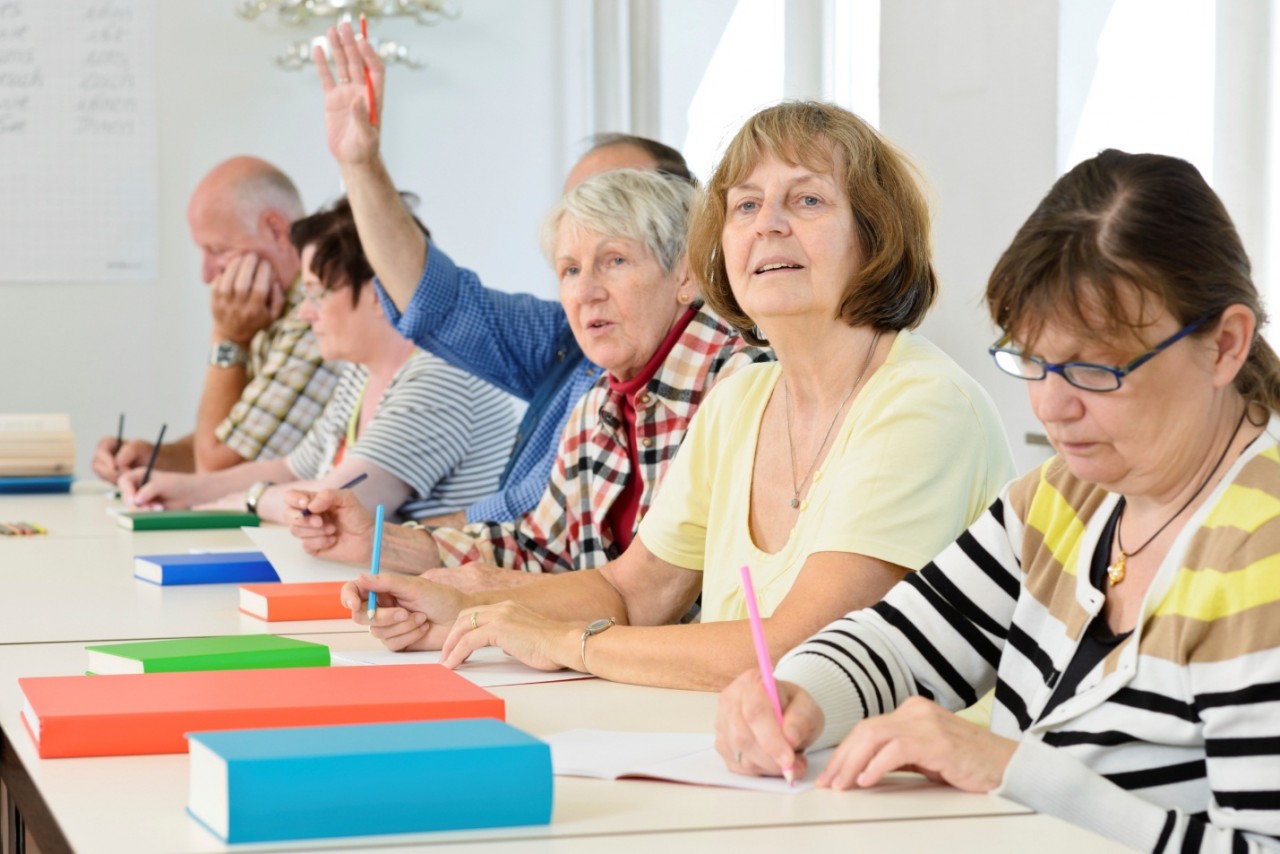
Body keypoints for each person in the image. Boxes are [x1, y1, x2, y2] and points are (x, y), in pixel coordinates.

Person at [322, 102, 1015, 692]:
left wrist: (567, 641)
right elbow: (632, 590)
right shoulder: (744, 398)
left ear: (876, 236)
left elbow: (797, 652)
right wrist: (461, 609)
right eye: (745, 205)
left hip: (906, 796)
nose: (768, 223)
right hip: (751, 753)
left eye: (806, 199)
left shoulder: (920, 403)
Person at [715, 150, 1280, 850]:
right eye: (1034, 361)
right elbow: (899, 643)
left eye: (1094, 370)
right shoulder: (1067, 499)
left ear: (1225, 345)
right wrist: (800, 697)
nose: (1051, 406)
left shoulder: (1264, 552)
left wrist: (1014, 772)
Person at [290, 166, 770, 584]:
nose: (585, 293)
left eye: (615, 261)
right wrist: (378, 542)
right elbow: (537, 550)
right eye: (569, 270)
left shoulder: (744, 386)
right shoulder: (599, 401)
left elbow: (650, 598)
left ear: (685, 276)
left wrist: (495, 609)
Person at [313, 22, 695, 525]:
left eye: (617, 207)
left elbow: (547, 534)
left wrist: (409, 541)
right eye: (575, 214)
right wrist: (359, 165)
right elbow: (438, 303)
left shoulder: (718, 371)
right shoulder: (568, 336)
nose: (586, 284)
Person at [119, 197, 515, 525]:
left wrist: (251, 499)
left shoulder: (440, 376)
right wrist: (184, 489)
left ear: (381, 291)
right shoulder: (363, 371)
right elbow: (293, 470)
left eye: (317, 293)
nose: (306, 312)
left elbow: (334, 506)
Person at [92, 157, 340, 479]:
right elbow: (241, 438)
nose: (206, 274)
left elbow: (218, 470)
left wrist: (228, 338)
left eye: (218, 250)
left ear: (276, 230)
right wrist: (154, 458)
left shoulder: (317, 318)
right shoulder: (273, 311)